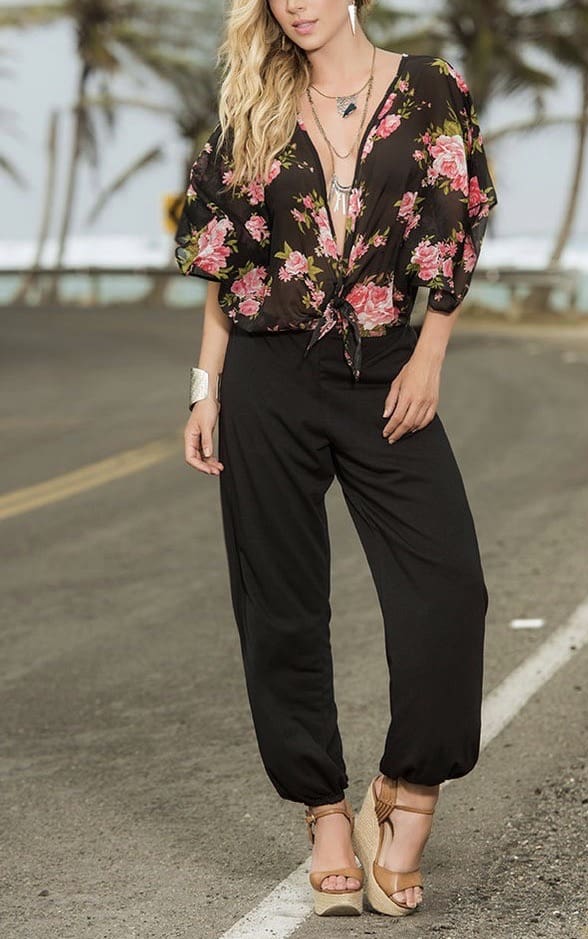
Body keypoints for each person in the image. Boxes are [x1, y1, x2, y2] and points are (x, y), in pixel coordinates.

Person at [174, 0, 498, 920]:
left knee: (447, 587)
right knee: (278, 599)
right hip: (269, 374)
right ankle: (323, 812)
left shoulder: (431, 86)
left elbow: (456, 220)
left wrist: (430, 353)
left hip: (388, 367)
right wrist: (206, 389)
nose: (298, 5)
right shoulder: (253, 103)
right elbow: (223, 261)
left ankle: (409, 789)